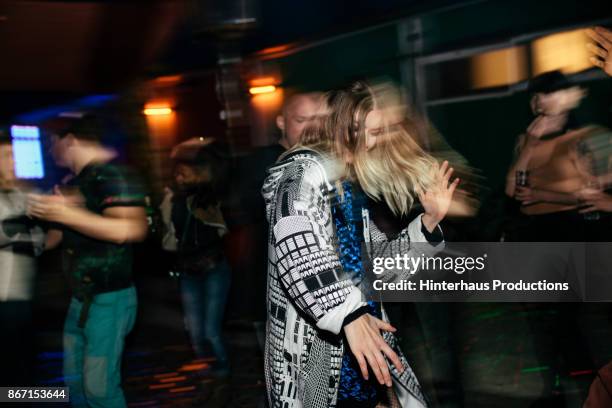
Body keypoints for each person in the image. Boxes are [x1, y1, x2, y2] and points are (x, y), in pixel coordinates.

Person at [262, 81, 458, 408]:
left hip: (358, 348)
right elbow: (296, 246)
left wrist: (428, 223)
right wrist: (349, 314)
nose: (366, 140)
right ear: (332, 125)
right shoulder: (302, 171)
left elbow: (377, 266)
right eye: (355, 129)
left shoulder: (350, 184)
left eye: (376, 131)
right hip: (318, 352)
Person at [27, 114, 147, 408]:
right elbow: (56, 238)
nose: (51, 150)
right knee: (75, 385)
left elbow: (131, 229)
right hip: (80, 297)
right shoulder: (76, 181)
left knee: (99, 390)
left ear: (69, 140)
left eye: (54, 142)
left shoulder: (114, 174)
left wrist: (65, 213)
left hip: (109, 298)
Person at [160, 138, 232, 377]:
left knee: (211, 330)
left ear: (197, 172)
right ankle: (205, 371)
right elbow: (170, 234)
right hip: (188, 271)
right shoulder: (174, 199)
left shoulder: (209, 196)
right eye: (177, 174)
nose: (179, 178)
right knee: (194, 331)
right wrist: (166, 205)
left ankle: (222, 373)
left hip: (213, 268)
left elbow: (222, 225)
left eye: (184, 174)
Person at [0, 131, 45, 386]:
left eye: (13, 154)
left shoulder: (23, 191)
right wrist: (19, 226)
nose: (13, 160)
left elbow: (38, 239)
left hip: (24, 291)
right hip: (3, 294)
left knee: (25, 364)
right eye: (6, 155)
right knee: (9, 367)